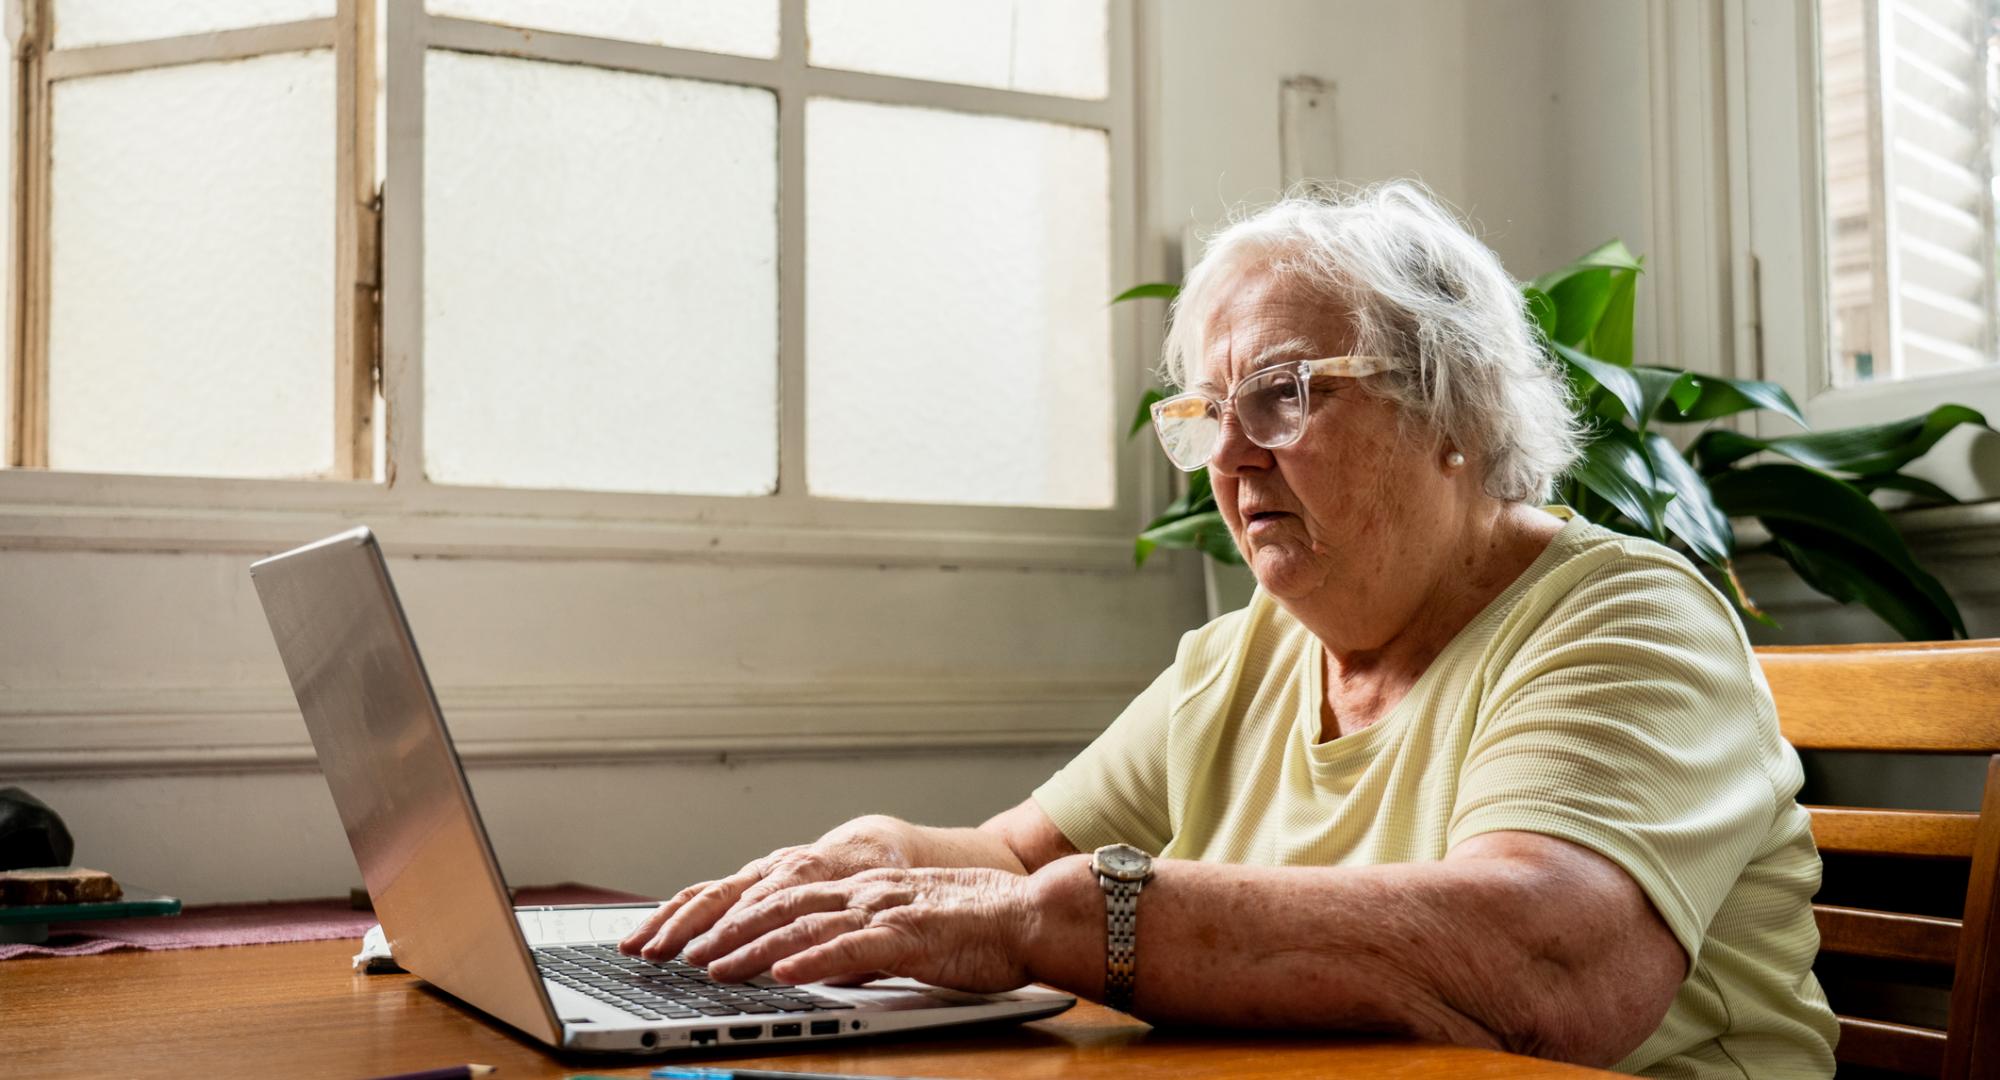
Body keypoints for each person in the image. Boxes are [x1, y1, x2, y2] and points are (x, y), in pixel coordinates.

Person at [620, 182, 1839, 1077]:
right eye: (1208, 411)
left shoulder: (1621, 618)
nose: (1233, 452)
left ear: (1450, 409)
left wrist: (1051, 919)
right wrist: (877, 855)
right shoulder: (1247, 653)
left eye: (1282, 394)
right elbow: (1005, 858)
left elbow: (1544, 967)